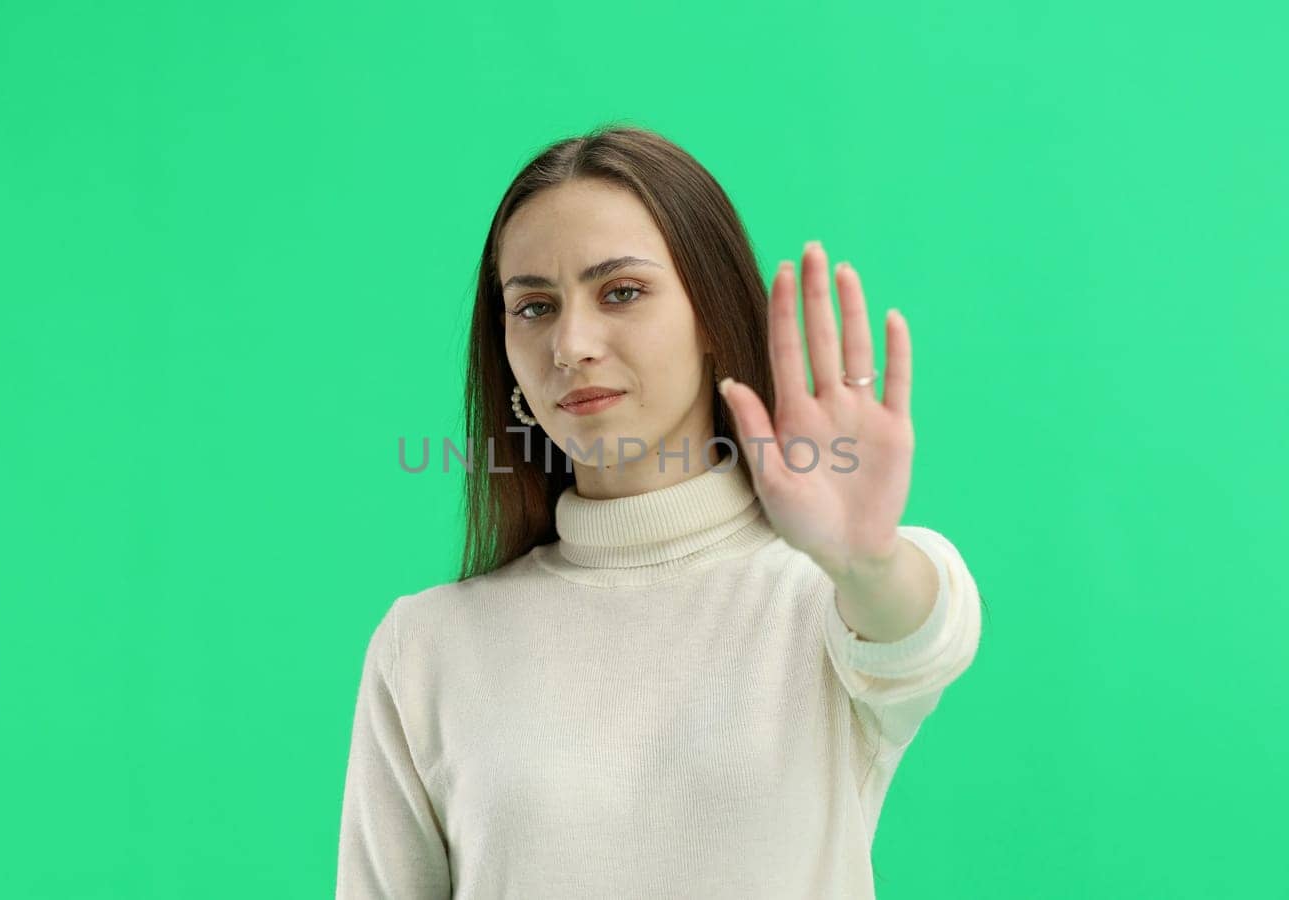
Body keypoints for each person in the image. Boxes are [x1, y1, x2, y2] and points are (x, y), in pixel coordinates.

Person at [335, 125, 983, 898]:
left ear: (711, 316)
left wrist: (864, 559)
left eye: (621, 292)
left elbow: (923, 629)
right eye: (535, 306)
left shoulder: (823, 602)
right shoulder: (427, 647)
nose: (571, 343)